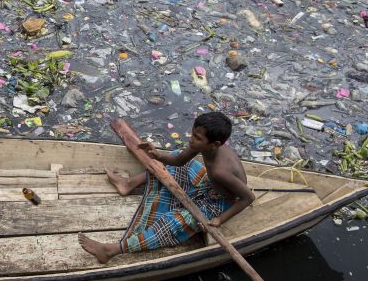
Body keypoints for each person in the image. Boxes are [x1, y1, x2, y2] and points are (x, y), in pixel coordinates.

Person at [79, 112, 254, 263]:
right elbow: (179, 160)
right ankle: (128, 183)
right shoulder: (204, 147)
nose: (191, 140)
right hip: (211, 186)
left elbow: (247, 198)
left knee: (174, 221)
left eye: (197, 138)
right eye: (193, 134)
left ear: (215, 144)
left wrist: (220, 220)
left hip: (221, 203)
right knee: (176, 155)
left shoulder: (220, 171)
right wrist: (156, 155)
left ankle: (111, 250)